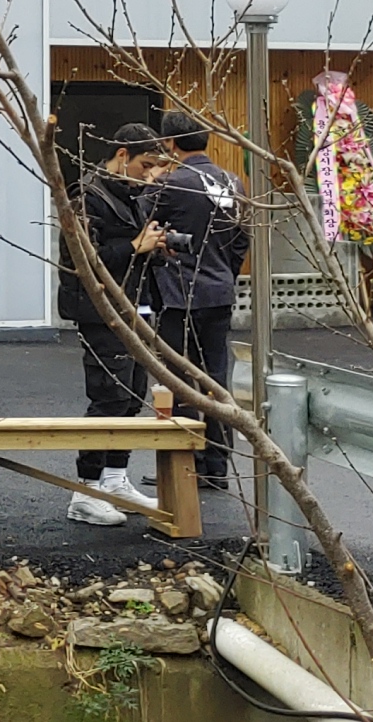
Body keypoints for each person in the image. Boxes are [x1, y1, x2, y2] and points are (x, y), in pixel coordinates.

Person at [60, 124, 174, 526]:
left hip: (134, 305)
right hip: (100, 309)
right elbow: (82, 258)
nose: (150, 175)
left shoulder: (130, 194)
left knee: (132, 396)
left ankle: (114, 478)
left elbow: (131, 250)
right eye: (146, 165)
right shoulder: (86, 195)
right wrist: (134, 246)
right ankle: (85, 491)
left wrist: (153, 248)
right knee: (108, 397)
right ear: (122, 155)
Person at [147, 112, 249, 489]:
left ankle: (185, 464)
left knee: (180, 379)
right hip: (219, 289)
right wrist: (225, 272)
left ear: (171, 143)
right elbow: (241, 239)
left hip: (179, 291)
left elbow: (143, 224)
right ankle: (216, 464)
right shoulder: (234, 182)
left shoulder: (171, 184)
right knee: (215, 378)